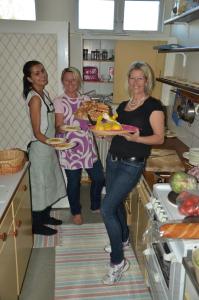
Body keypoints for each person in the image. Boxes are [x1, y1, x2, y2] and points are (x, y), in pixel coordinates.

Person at [100, 61, 165, 285]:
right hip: (114, 159)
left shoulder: (154, 106)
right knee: (115, 204)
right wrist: (105, 134)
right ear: (127, 80)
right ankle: (124, 238)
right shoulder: (122, 106)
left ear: (147, 81)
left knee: (106, 208)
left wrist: (137, 138)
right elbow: (118, 133)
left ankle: (118, 262)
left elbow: (159, 137)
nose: (135, 82)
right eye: (132, 78)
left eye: (140, 78)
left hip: (132, 164)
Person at [54, 67, 105, 225]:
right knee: (74, 182)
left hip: (87, 145)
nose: (70, 83)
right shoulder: (59, 101)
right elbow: (57, 126)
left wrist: (99, 124)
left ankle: (95, 204)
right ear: (63, 81)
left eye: (74, 79)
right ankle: (76, 211)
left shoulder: (86, 100)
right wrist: (63, 127)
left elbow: (92, 122)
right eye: (67, 79)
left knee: (99, 178)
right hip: (70, 146)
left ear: (78, 81)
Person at [23, 60, 67, 236]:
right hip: (40, 149)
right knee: (40, 186)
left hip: (48, 147)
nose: (42, 75)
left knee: (49, 182)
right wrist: (56, 143)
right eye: (37, 73)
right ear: (29, 78)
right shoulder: (35, 99)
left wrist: (60, 131)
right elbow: (37, 133)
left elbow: (49, 126)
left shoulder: (44, 94)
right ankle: (36, 224)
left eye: (42, 71)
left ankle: (45, 217)